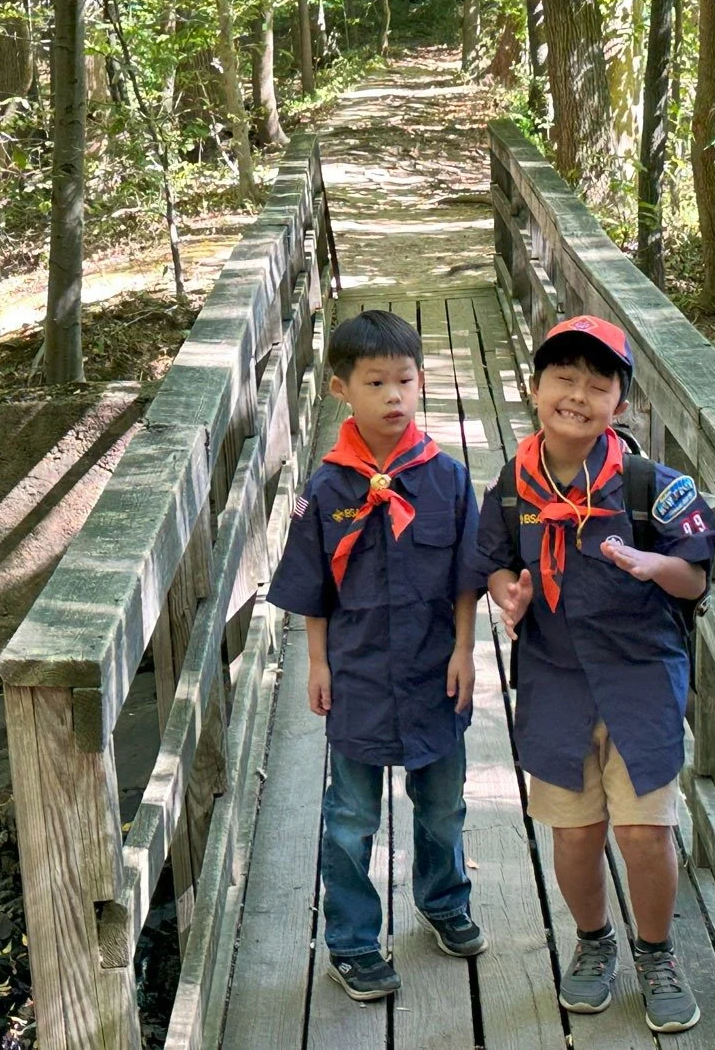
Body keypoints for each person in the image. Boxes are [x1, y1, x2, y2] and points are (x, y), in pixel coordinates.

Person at [475, 314, 715, 1034]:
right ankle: (592, 942)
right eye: (564, 378)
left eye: (597, 383)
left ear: (621, 402)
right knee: (574, 833)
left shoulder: (653, 486)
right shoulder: (516, 485)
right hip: (555, 679)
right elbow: (494, 558)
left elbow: (696, 579)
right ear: (535, 386)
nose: (577, 395)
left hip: (641, 677)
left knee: (645, 833)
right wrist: (505, 591)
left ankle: (657, 952)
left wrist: (654, 565)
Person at [267, 309, 486, 1002]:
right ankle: (354, 941)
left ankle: (445, 900)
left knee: (443, 804)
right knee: (352, 816)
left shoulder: (446, 479)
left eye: (406, 380)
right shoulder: (326, 489)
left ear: (422, 383)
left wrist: (465, 652)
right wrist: (317, 663)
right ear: (341, 389)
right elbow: (312, 588)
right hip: (359, 675)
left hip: (432, 671)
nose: (394, 396)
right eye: (375, 382)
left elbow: (464, 578)